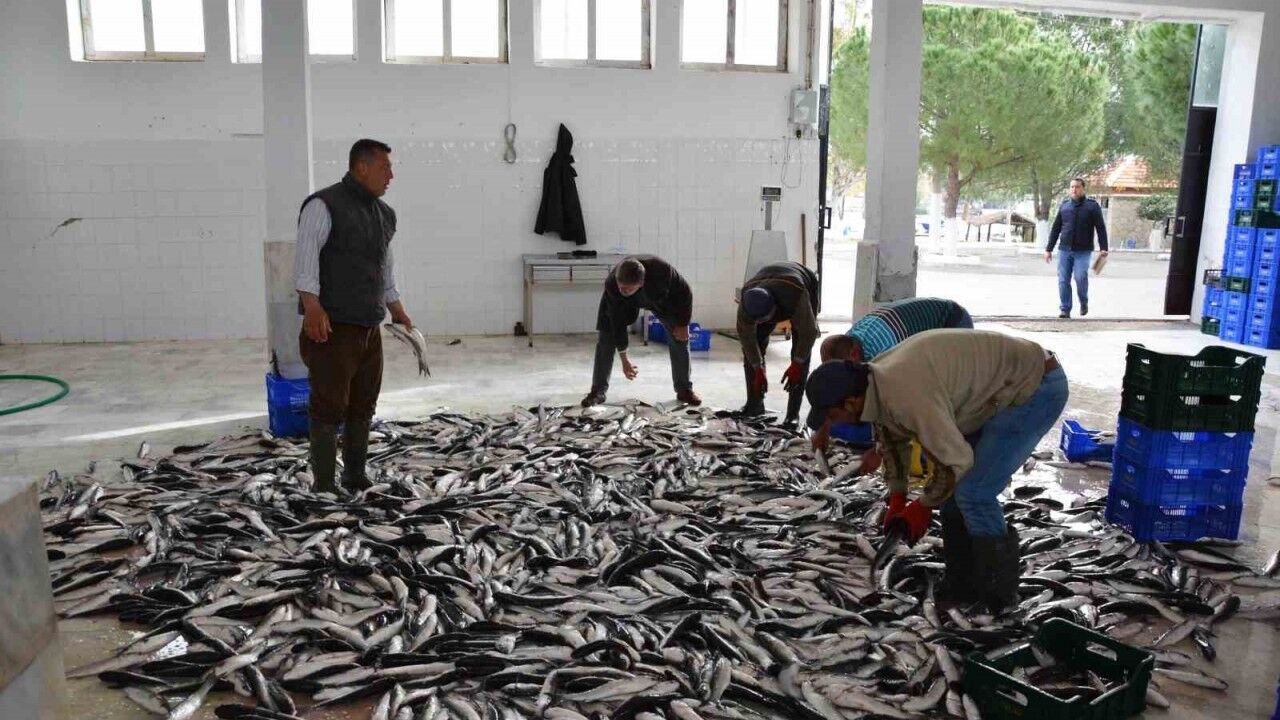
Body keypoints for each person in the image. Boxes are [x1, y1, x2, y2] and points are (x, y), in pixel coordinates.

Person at [806, 330, 1068, 612]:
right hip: (992, 391)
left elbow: (957, 462)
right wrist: (897, 498)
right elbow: (892, 440)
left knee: (974, 493)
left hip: (1034, 386)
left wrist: (922, 506)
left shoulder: (905, 393)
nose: (835, 424)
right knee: (952, 491)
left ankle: (998, 599)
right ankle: (962, 583)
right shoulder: (874, 382)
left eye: (833, 416)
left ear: (850, 402)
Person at [294, 138, 413, 495]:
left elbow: (384, 267)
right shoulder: (323, 205)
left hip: (368, 326)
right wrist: (312, 306)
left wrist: (396, 308)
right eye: (385, 167)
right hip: (332, 327)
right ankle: (324, 485)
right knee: (328, 406)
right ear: (362, 167)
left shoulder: (385, 214)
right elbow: (305, 259)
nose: (391, 175)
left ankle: (355, 476)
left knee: (363, 403)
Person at [582, 256, 701, 408]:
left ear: (641, 283)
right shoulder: (613, 285)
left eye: (627, 288)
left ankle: (684, 390)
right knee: (606, 340)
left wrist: (683, 324)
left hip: (660, 300)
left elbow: (685, 293)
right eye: (621, 287)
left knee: (680, 338)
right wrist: (624, 359)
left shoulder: (662, 273)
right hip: (622, 304)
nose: (623, 290)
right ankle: (597, 391)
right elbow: (617, 323)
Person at [737, 261, 820, 425]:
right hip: (768, 280)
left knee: (801, 350)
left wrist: (797, 363)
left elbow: (808, 333)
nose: (768, 323)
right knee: (752, 348)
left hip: (802, 281)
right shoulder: (747, 302)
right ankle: (755, 404)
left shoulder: (795, 295)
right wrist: (758, 368)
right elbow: (747, 339)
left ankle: (792, 415)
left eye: (768, 318)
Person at [819, 297, 974, 364]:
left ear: (854, 354)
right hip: (936, 315)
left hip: (953, 321)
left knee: (948, 381)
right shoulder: (850, 339)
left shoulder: (882, 350)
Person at [1045, 177, 1108, 319]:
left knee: (1080, 277)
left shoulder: (1092, 206)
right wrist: (1049, 249)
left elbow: (1100, 228)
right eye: (1072, 187)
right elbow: (1056, 229)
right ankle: (1065, 309)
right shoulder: (1064, 206)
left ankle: (1083, 301)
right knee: (1063, 280)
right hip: (1064, 250)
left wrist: (1103, 247)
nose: (1074, 189)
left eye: (1077, 187)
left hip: (1083, 251)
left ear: (1083, 188)